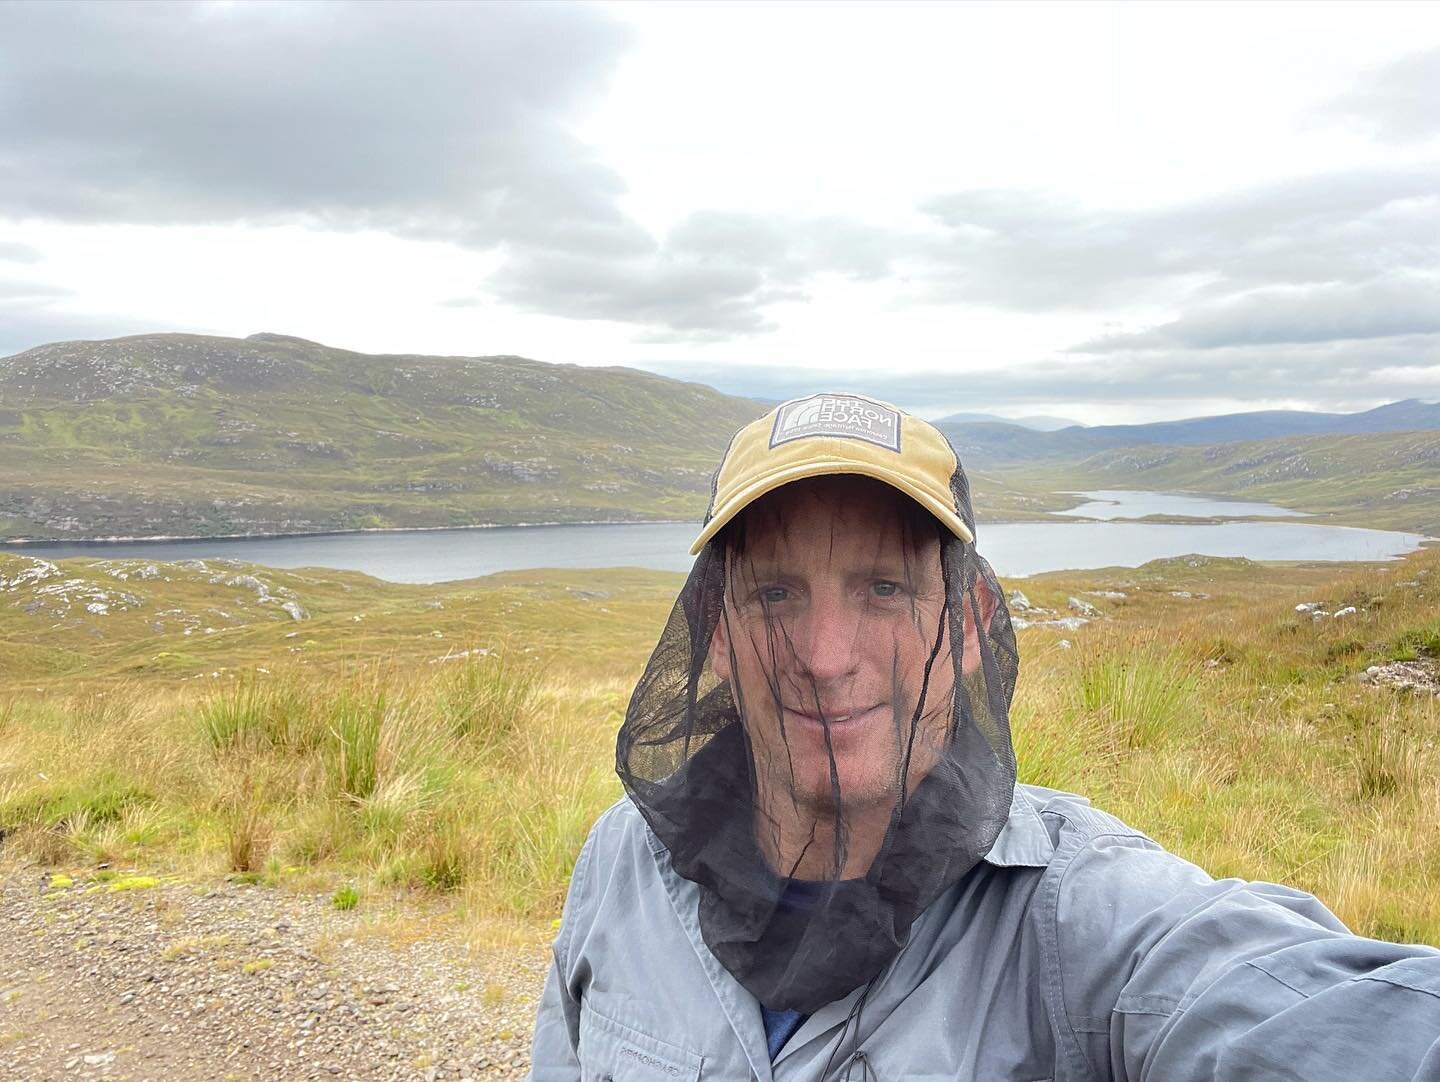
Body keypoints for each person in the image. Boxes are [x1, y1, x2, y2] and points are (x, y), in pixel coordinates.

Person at [529, 393, 1440, 1081]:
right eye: (775, 594)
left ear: (966, 626)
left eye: (884, 589)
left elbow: (1284, 1003)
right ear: (715, 633)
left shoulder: (1077, 916)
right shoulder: (623, 864)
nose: (826, 656)